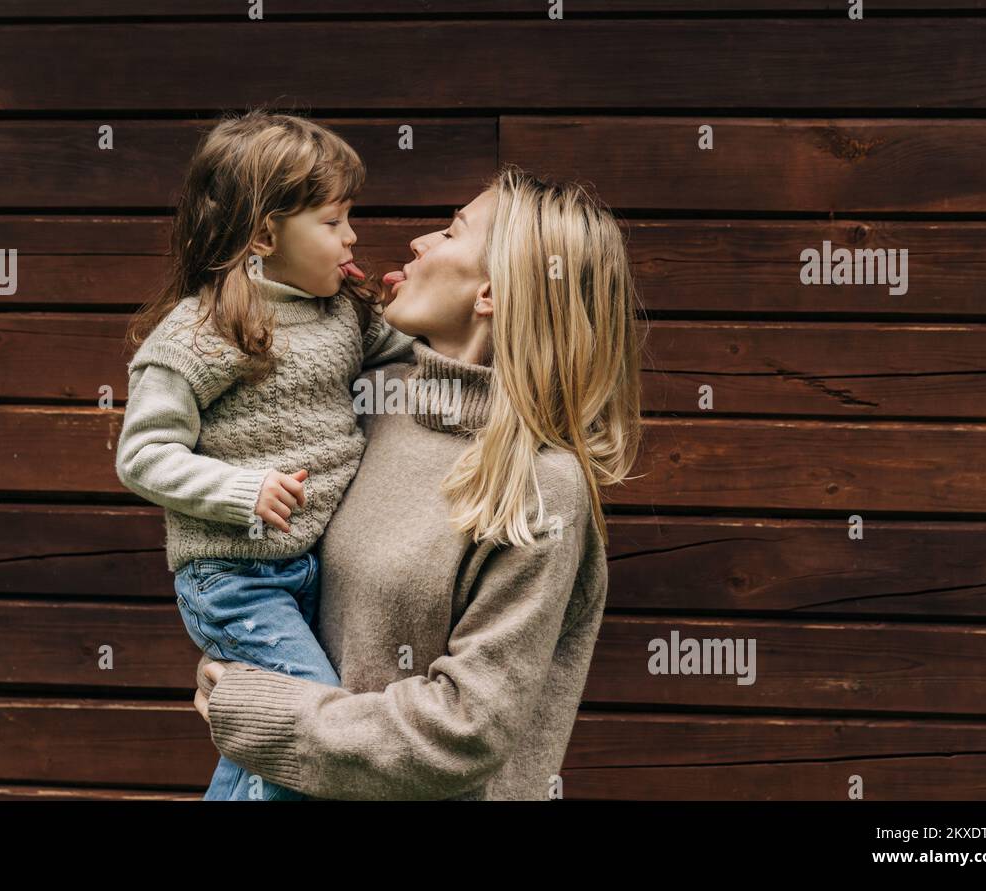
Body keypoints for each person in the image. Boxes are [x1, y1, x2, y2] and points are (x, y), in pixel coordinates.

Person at [193, 164, 647, 800]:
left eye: (452, 231)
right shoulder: (370, 408)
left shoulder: (541, 485)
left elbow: (464, 728)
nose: (420, 242)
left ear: (489, 293)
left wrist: (263, 712)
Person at [115, 108, 414, 800]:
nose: (352, 235)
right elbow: (142, 452)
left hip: (308, 571)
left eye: (351, 218)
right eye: (334, 221)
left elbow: (414, 352)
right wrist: (241, 490)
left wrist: (420, 308)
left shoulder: (342, 310)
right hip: (234, 577)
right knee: (310, 721)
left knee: (262, 737)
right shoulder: (206, 328)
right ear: (264, 232)